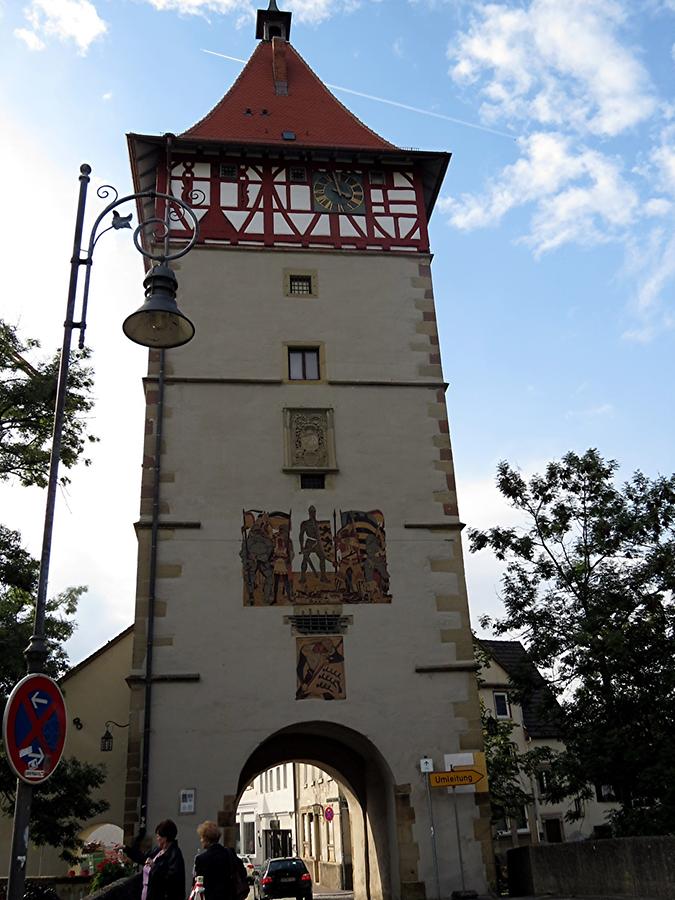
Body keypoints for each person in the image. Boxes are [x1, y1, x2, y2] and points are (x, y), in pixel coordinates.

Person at [125, 819, 186, 900]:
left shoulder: (174, 854)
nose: (157, 838)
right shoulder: (157, 850)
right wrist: (126, 849)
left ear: (165, 838)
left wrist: (154, 866)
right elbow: (143, 858)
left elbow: (172, 880)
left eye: (158, 836)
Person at [193, 821, 233, 900]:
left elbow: (199, 884)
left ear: (207, 839)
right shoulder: (228, 854)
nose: (201, 840)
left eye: (201, 837)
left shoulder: (201, 859)